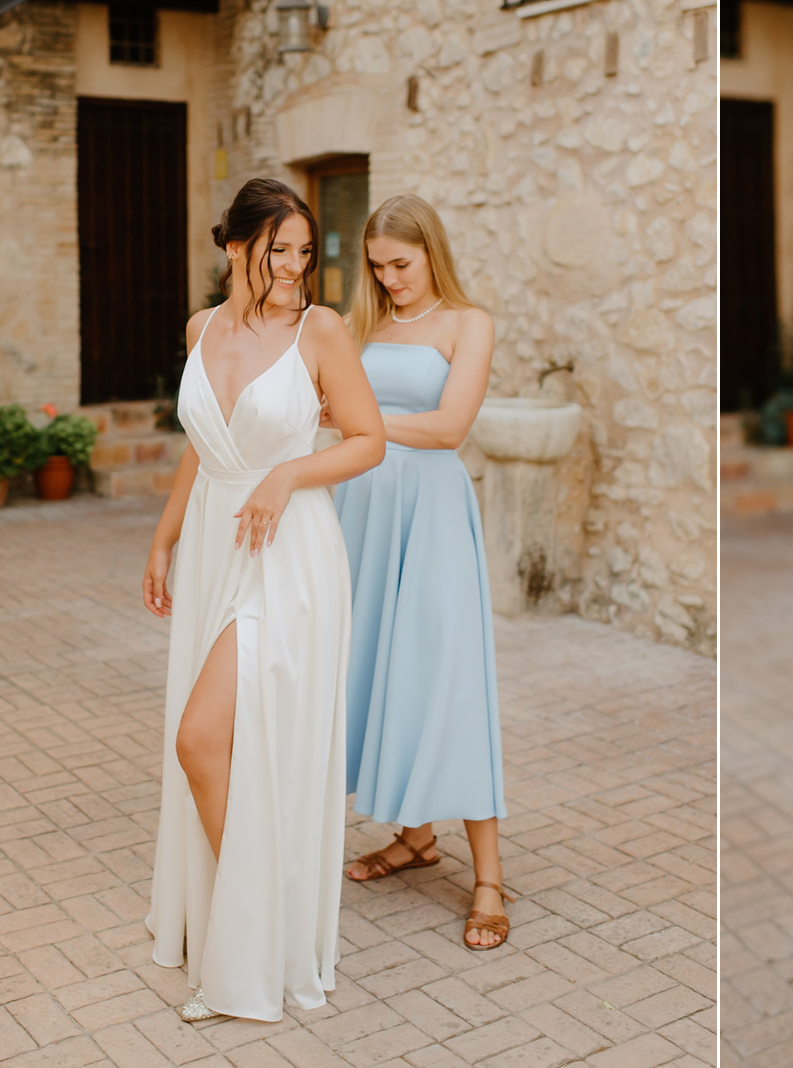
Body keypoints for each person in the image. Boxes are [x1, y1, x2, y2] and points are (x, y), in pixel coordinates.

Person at [141, 178, 386, 1021]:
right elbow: (204, 447)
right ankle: (253, 921)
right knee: (230, 749)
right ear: (236, 247)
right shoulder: (200, 329)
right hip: (215, 542)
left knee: (203, 741)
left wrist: (289, 471)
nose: (294, 267)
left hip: (289, 554)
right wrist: (165, 536)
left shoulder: (320, 331)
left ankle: (259, 935)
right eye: (278, 250)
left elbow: (368, 441)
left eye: (305, 252)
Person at [327, 195, 511, 950]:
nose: (389, 278)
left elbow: (449, 429)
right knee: (378, 669)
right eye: (375, 267)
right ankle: (414, 838)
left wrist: (358, 422)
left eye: (399, 264)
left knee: (448, 677)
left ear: (431, 252)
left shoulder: (471, 324)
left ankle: (490, 878)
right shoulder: (357, 325)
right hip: (361, 509)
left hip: (431, 517)